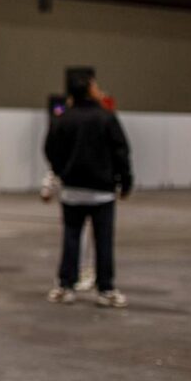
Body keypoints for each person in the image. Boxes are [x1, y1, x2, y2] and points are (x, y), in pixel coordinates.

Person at [44, 74, 132, 307]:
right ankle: (106, 289)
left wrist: (62, 171)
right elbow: (121, 151)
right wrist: (125, 182)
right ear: (90, 90)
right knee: (103, 240)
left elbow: (50, 149)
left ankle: (66, 285)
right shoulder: (106, 117)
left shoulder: (63, 118)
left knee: (71, 237)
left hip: (72, 190)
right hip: (102, 190)